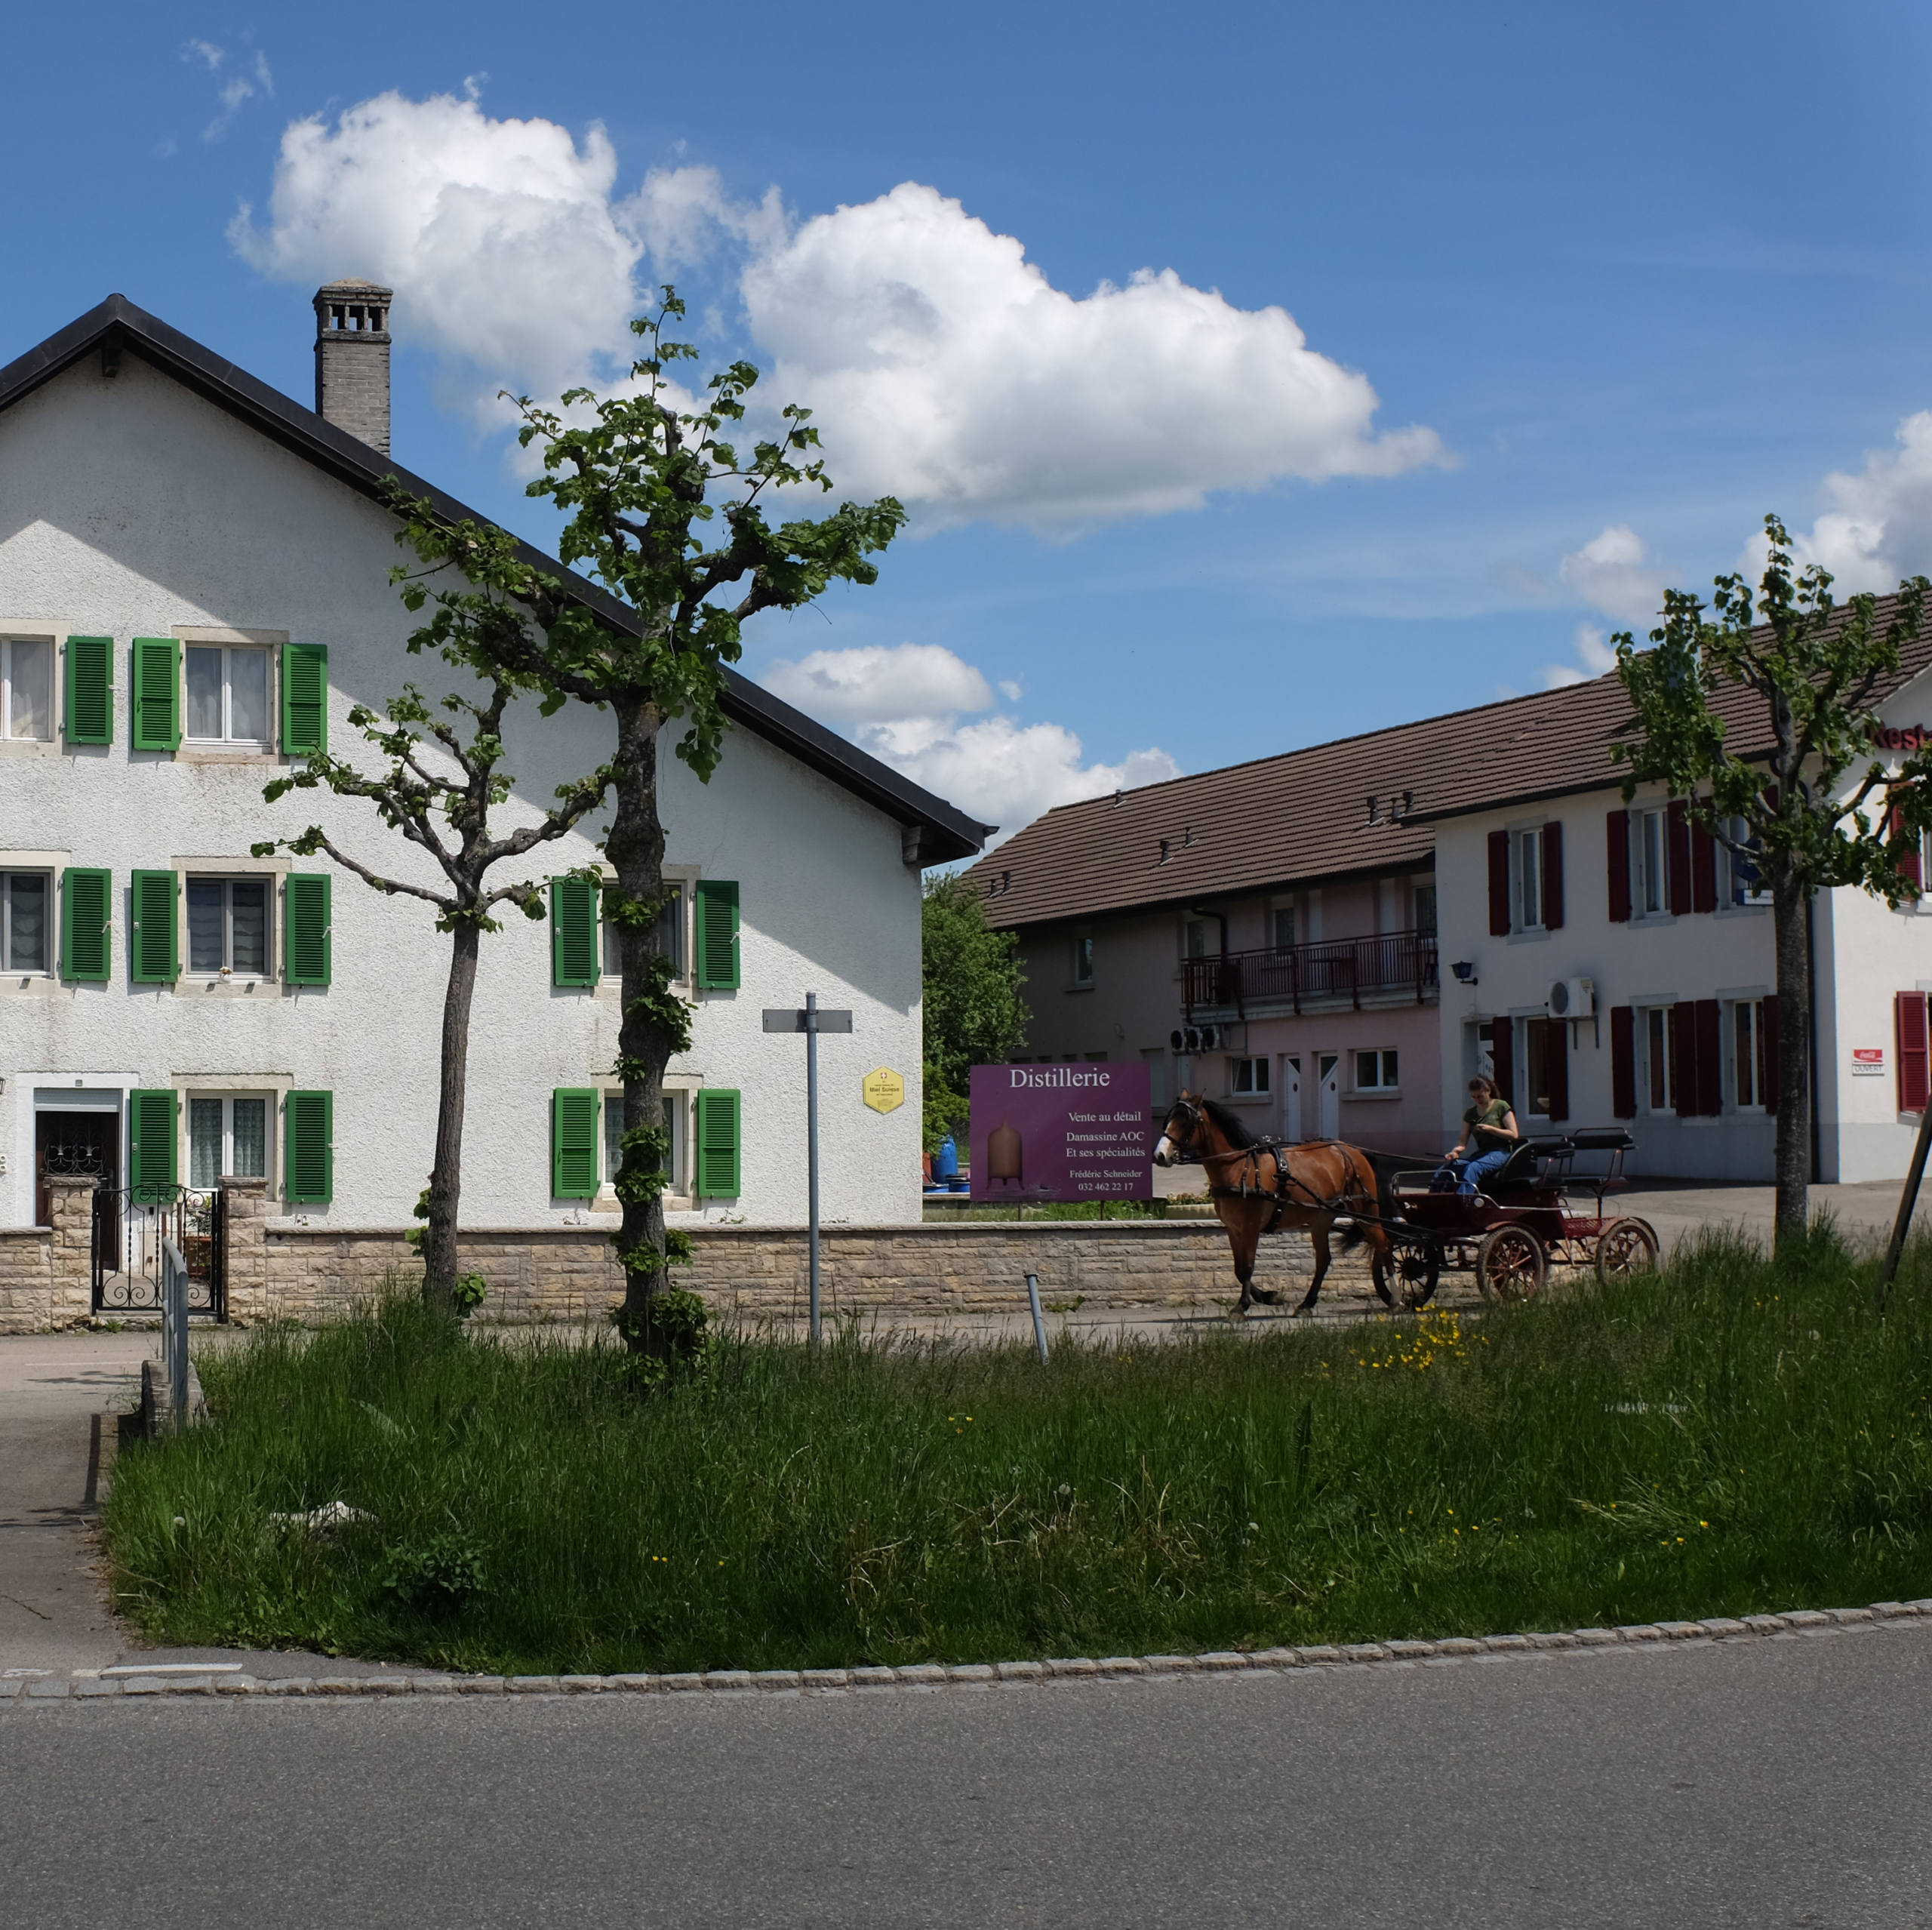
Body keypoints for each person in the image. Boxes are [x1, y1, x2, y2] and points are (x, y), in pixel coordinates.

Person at [1436, 1075, 1520, 1196]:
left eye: (1480, 1096)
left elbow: (1514, 1134)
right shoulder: (1470, 1113)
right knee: (1448, 1168)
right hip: (1482, 1154)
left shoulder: (1501, 1106)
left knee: (1473, 1168)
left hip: (1501, 1153)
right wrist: (1455, 1151)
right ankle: (1434, 1199)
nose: (1477, 1100)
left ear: (1488, 1091)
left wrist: (1491, 1129)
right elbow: (1462, 1142)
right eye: (1474, 1097)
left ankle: (1463, 1201)